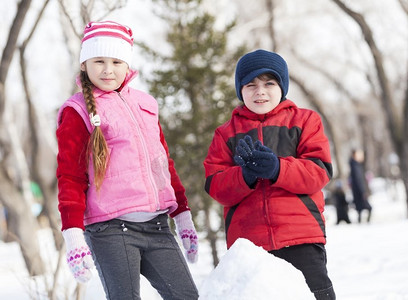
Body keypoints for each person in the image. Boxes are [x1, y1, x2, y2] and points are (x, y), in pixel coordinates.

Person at [56, 21, 199, 300]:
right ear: (84, 64)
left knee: (187, 296)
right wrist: (73, 236)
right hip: (111, 230)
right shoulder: (77, 111)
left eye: (116, 61)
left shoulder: (146, 104)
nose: (108, 70)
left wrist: (182, 217)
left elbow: (163, 164)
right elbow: (70, 177)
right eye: (99, 61)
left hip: (157, 226)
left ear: (127, 65)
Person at [203, 49, 336, 300]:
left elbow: (318, 172)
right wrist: (245, 176)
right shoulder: (225, 133)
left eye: (269, 83)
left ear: (282, 87)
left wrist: (277, 168)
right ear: (240, 90)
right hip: (250, 245)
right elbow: (215, 185)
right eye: (250, 84)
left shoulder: (305, 121)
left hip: (301, 237)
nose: (260, 91)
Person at [349, 149, 372, 223]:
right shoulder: (355, 166)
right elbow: (359, 179)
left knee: (360, 209)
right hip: (359, 191)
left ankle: (361, 221)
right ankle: (366, 222)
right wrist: (363, 191)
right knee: (368, 208)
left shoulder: (355, 165)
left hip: (357, 191)